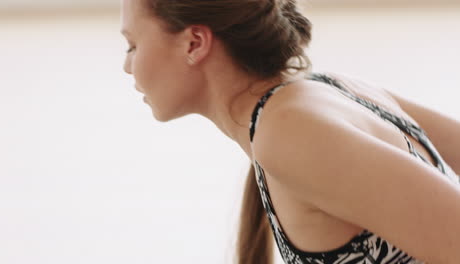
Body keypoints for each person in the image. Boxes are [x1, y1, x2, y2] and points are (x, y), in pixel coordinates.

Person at [119, 0, 460, 263]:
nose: (127, 65)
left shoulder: (289, 130)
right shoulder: (326, 90)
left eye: (133, 45)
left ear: (194, 43)